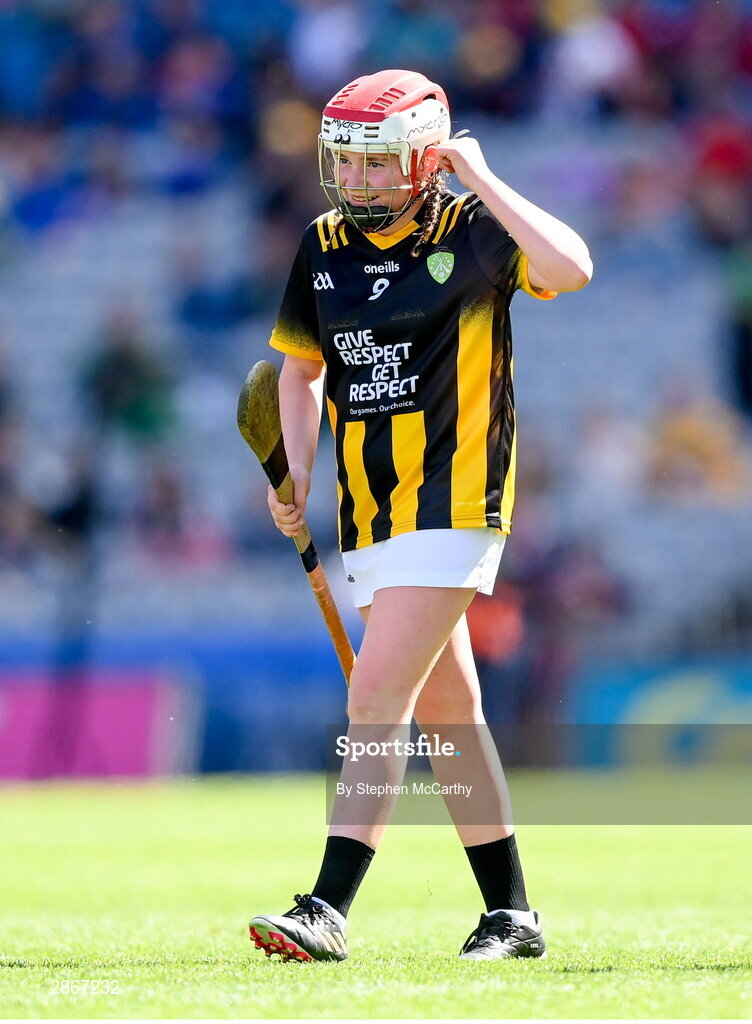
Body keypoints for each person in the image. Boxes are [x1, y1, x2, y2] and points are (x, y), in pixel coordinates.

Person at [248, 69, 592, 963]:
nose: (354, 182)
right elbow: (298, 369)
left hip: (456, 500)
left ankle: (326, 907)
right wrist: (294, 471)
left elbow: (571, 267)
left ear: (423, 159)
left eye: (375, 165)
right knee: (448, 709)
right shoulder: (323, 243)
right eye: (345, 164)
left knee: (375, 696)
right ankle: (512, 915)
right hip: (367, 511)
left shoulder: (471, 230)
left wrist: (477, 175)